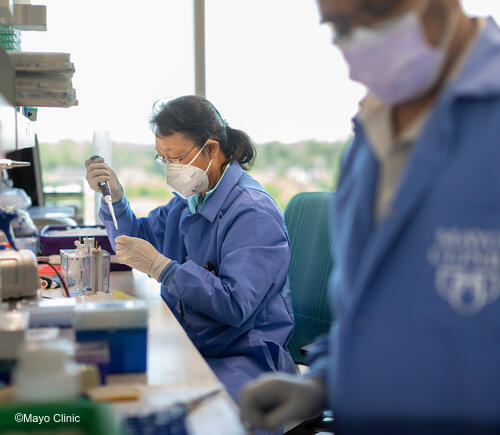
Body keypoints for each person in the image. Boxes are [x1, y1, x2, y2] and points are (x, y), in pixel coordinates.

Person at [239, 0, 500, 433]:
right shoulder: (368, 139)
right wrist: (325, 380)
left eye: (379, 10)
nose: (361, 38)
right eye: (339, 25)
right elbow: (370, 309)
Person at [85, 95, 295, 402]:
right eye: (163, 159)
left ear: (212, 149)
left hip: (244, 358)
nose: (170, 168)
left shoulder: (252, 213)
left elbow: (234, 305)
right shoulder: (189, 202)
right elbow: (134, 241)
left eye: (178, 158)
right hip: (196, 345)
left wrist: (165, 269)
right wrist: (115, 199)